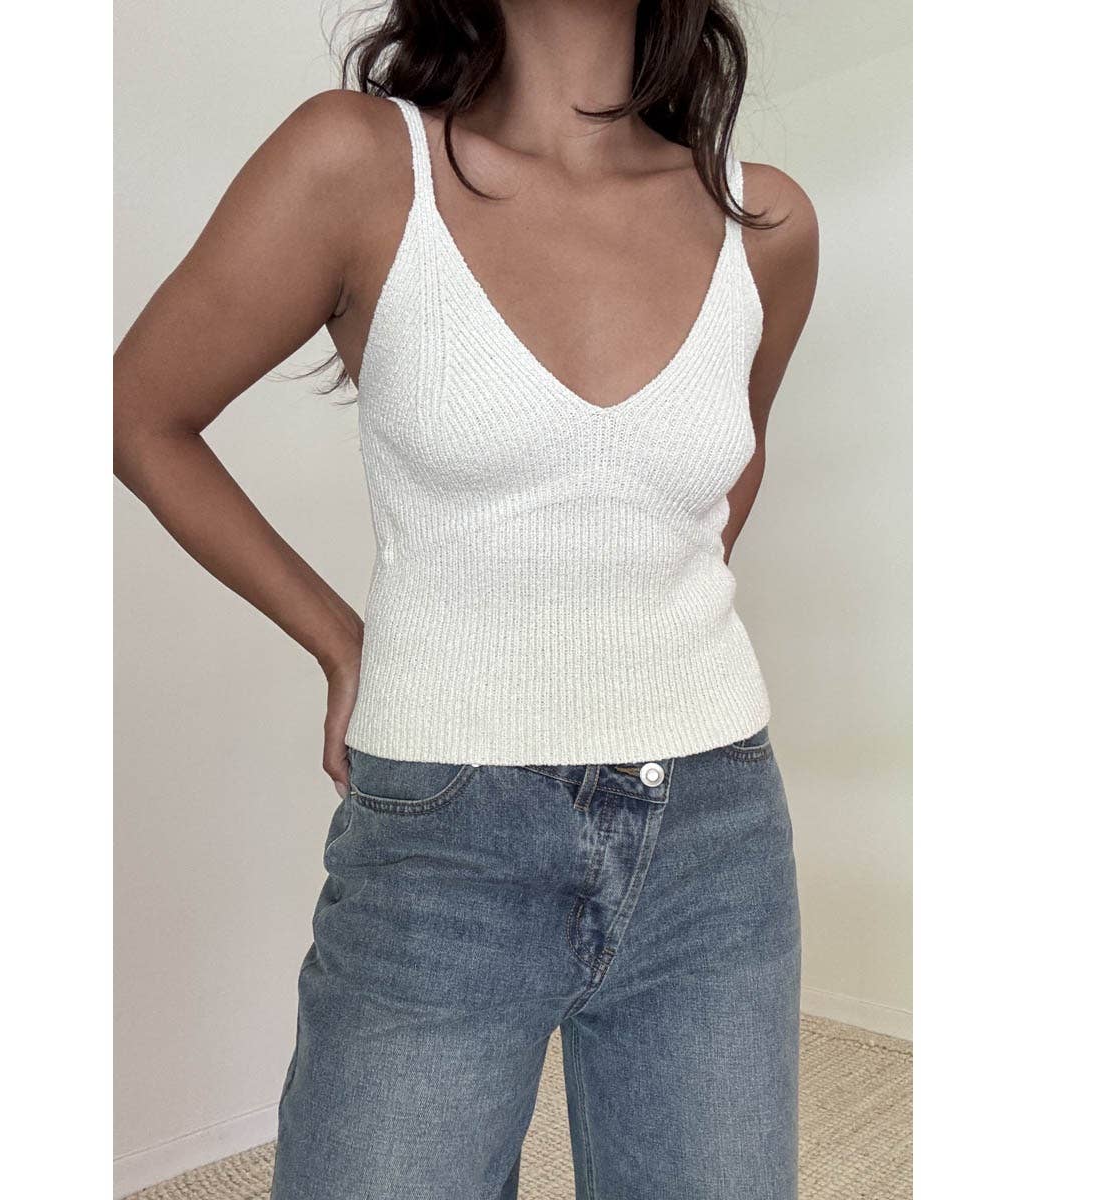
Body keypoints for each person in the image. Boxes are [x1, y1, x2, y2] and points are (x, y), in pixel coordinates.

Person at [114, 1, 818, 1195]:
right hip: (442, 842)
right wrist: (342, 644)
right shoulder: (357, 162)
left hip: (716, 838)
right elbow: (140, 414)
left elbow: (722, 471)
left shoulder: (766, 220)